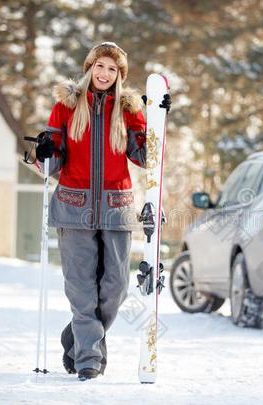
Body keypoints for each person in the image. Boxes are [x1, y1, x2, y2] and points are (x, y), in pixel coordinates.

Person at [34, 42, 169, 380]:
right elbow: (50, 164)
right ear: (89, 67)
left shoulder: (129, 109)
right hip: (73, 208)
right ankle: (88, 361)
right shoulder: (65, 106)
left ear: (119, 74)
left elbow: (144, 158)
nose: (105, 74)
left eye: (112, 69)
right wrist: (45, 151)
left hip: (116, 207)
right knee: (81, 289)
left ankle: (76, 337)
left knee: (116, 287)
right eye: (100, 66)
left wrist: (157, 122)